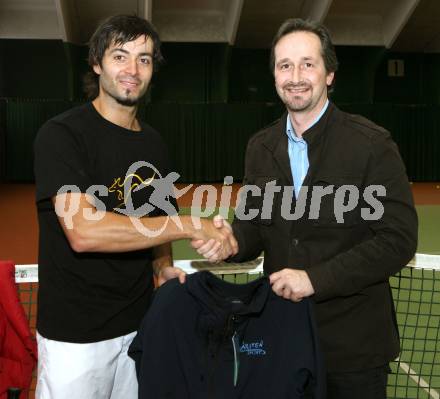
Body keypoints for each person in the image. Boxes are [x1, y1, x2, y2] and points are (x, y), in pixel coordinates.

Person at [193, 18, 418, 399]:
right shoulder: (260, 147)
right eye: (285, 65)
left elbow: (397, 240)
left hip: (354, 351)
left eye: (307, 64)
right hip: (282, 339)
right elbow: (254, 225)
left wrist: (314, 279)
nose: (295, 76)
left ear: (329, 73)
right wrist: (231, 241)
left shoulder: (372, 145)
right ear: (275, 76)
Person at [33, 15, 237, 399]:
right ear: (96, 63)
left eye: (144, 59)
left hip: (139, 328)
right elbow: (84, 232)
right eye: (120, 56)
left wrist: (161, 266)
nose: (132, 70)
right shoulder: (62, 135)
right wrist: (192, 224)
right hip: (76, 341)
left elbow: (153, 218)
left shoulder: (154, 145)